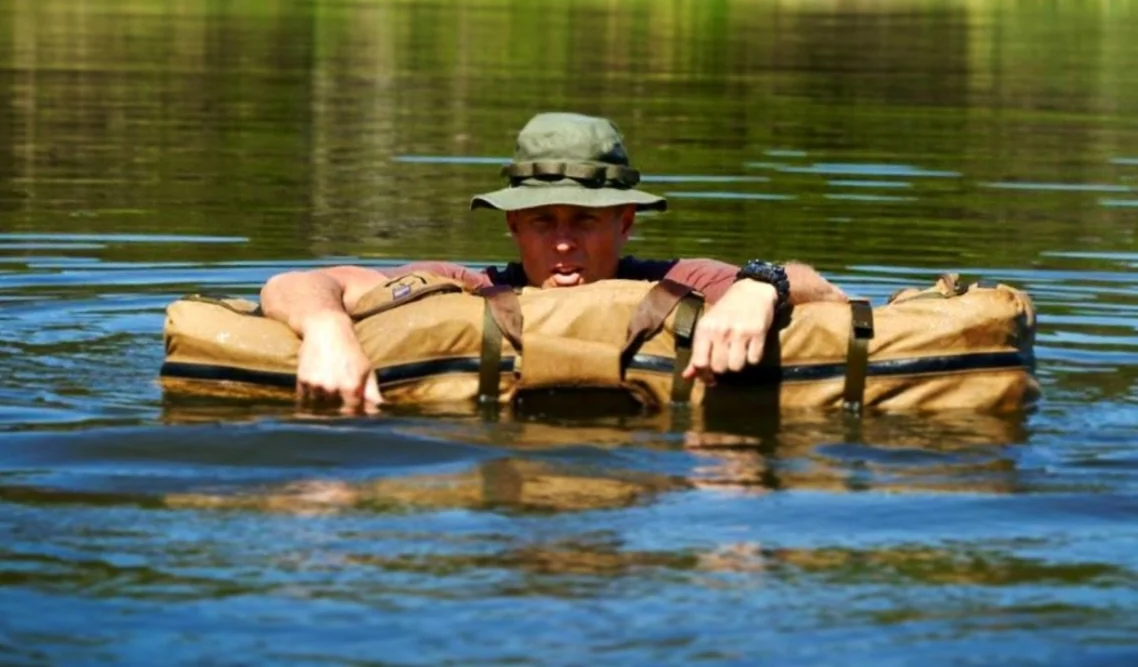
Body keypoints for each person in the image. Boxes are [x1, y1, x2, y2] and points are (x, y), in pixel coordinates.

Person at [261, 112, 847, 407]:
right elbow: (299, 281)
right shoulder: (467, 290)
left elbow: (826, 293)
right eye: (543, 222)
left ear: (625, 222)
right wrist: (326, 327)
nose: (563, 243)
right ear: (514, 224)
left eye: (585, 221)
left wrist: (760, 284)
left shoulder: (674, 281)